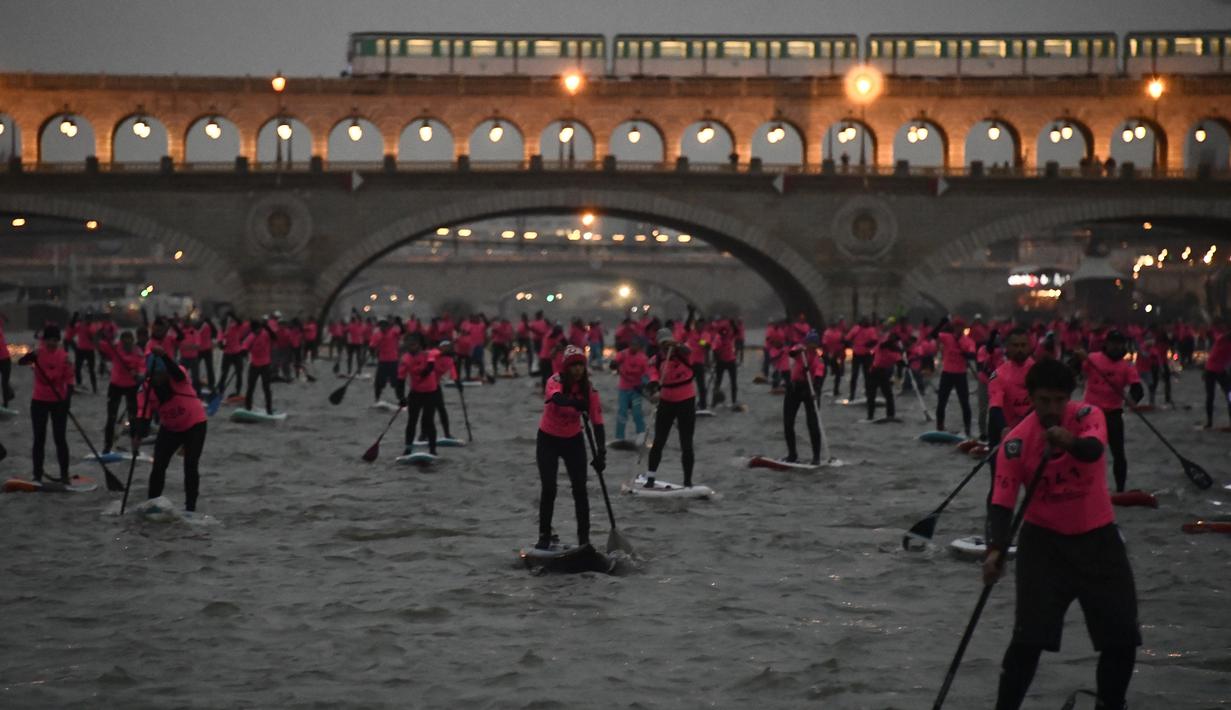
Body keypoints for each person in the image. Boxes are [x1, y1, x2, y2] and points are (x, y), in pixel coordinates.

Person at [985, 358, 1139, 710]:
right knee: (1027, 642)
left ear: (1069, 397)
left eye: (1058, 400)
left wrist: (1067, 440)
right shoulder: (1016, 442)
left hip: (1098, 541)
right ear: (1031, 398)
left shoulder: (1088, 416)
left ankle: (1110, 704)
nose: (1052, 409)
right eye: (1043, 401)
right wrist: (995, 549)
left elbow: (1093, 451)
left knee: (1121, 638)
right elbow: (1002, 502)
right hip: (1044, 547)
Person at [535, 345, 604, 550]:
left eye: (580, 365)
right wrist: (575, 404)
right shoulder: (554, 380)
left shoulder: (589, 390)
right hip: (548, 439)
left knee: (580, 489)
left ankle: (584, 540)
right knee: (549, 487)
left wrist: (602, 453)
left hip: (573, 440)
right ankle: (544, 536)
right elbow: (556, 398)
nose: (577, 370)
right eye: (573, 366)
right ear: (566, 368)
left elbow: (598, 423)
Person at [133, 349, 208, 511]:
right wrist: (138, 435)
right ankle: (152, 503)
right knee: (158, 466)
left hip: (195, 424)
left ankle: (190, 508)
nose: (159, 378)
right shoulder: (145, 389)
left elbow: (175, 370)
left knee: (190, 465)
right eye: (155, 375)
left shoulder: (177, 375)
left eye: (162, 374)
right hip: (170, 428)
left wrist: (165, 356)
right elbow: (143, 414)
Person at [1076, 331, 1143, 493]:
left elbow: (1137, 389)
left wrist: (1133, 400)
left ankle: (1120, 490)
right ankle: (1085, 487)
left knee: (1118, 454)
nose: (1116, 347)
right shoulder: (1092, 359)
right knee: (1088, 452)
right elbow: (1074, 370)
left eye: (1119, 344)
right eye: (1113, 343)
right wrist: (1078, 358)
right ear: (1106, 344)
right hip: (1091, 414)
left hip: (1113, 414)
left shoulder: (1127, 366)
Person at [20, 325, 74, 483]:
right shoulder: (38, 353)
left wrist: (67, 401)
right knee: (39, 438)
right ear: (44, 340)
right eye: (49, 340)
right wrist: (31, 356)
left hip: (59, 402)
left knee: (60, 438)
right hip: (39, 401)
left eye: (55, 340)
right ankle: (37, 475)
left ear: (58, 341)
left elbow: (70, 381)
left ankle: (64, 475)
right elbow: (21, 362)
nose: (52, 343)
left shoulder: (64, 357)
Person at [645, 329, 697, 487]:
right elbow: (653, 377)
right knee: (659, 441)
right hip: (666, 402)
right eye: (663, 344)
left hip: (686, 400)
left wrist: (676, 345)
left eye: (668, 343)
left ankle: (688, 481)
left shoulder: (683, 353)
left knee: (686, 443)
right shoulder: (656, 360)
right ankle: (650, 479)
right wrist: (653, 388)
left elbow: (689, 350)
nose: (666, 348)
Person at [96, 329, 145, 454]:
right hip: (115, 386)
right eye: (125, 343)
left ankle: (135, 449)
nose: (127, 345)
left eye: (129, 342)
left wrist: (138, 374)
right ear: (121, 342)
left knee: (133, 418)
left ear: (133, 341)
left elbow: (142, 369)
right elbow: (97, 344)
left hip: (131, 387)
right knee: (111, 418)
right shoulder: (114, 347)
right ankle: (107, 447)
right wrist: (99, 334)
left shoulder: (138, 352)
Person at [783, 334, 823, 464]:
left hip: (809, 390)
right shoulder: (800, 350)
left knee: (812, 424)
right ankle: (792, 454)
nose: (810, 346)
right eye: (809, 343)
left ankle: (816, 457)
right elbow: (791, 353)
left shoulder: (818, 359)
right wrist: (799, 350)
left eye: (813, 344)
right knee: (788, 422)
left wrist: (815, 390)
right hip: (794, 389)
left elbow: (819, 376)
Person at [932, 317, 975, 436]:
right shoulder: (947, 337)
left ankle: (967, 430)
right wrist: (942, 322)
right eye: (956, 327)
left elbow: (972, 354)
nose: (958, 329)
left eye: (960, 327)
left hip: (961, 375)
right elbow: (933, 334)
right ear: (953, 328)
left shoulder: (968, 341)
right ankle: (939, 427)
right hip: (947, 374)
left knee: (964, 403)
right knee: (942, 401)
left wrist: (966, 353)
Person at [398, 333, 439, 456]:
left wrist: (426, 371)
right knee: (412, 421)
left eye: (414, 344)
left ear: (420, 345)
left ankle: (433, 450)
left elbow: (431, 365)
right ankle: (408, 448)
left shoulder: (429, 354)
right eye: (409, 344)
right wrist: (401, 397)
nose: (412, 347)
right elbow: (400, 379)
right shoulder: (405, 358)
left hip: (431, 392)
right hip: (415, 393)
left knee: (429, 421)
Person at [611, 337, 649, 444]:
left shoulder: (643, 358)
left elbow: (646, 374)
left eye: (636, 345)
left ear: (639, 347)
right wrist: (613, 364)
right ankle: (619, 436)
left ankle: (641, 433)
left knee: (637, 412)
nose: (633, 347)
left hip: (636, 390)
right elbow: (615, 361)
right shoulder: (623, 354)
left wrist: (644, 384)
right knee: (622, 412)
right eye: (632, 344)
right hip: (623, 389)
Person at [866, 331, 901, 422]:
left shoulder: (895, 353)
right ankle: (870, 416)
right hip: (874, 371)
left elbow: (900, 362)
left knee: (888, 395)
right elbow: (885, 344)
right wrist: (895, 345)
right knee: (871, 395)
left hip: (883, 373)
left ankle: (890, 415)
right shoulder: (881, 346)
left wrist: (905, 363)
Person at [242, 319, 274, 414]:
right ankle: (248, 408)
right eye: (254, 330)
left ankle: (269, 409)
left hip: (266, 365)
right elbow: (244, 346)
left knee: (266, 388)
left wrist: (267, 327)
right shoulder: (251, 336)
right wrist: (244, 352)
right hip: (255, 365)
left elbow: (274, 337)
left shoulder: (266, 333)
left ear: (260, 328)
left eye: (257, 329)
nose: (256, 332)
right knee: (250, 387)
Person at [370, 319, 403, 403]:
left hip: (393, 361)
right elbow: (372, 345)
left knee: (396, 382)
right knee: (378, 382)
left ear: (388, 326)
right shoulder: (377, 334)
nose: (383, 327)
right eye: (381, 326)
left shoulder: (393, 332)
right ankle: (377, 398)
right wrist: (372, 349)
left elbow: (401, 333)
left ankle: (400, 399)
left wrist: (399, 325)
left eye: (385, 326)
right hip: (383, 361)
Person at [217, 313, 249, 398]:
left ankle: (238, 391)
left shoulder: (235, 326)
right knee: (224, 374)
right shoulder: (222, 330)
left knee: (239, 374)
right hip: (227, 354)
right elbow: (220, 342)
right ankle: (220, 392)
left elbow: (240, 323)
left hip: (237, 353)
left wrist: (233, 315)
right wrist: (221, 344)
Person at [0, 312, 14, 410]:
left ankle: (5, 405)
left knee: (4, 383)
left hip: (5, 358)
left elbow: (7, 319)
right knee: (4, 383)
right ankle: (9, 393)